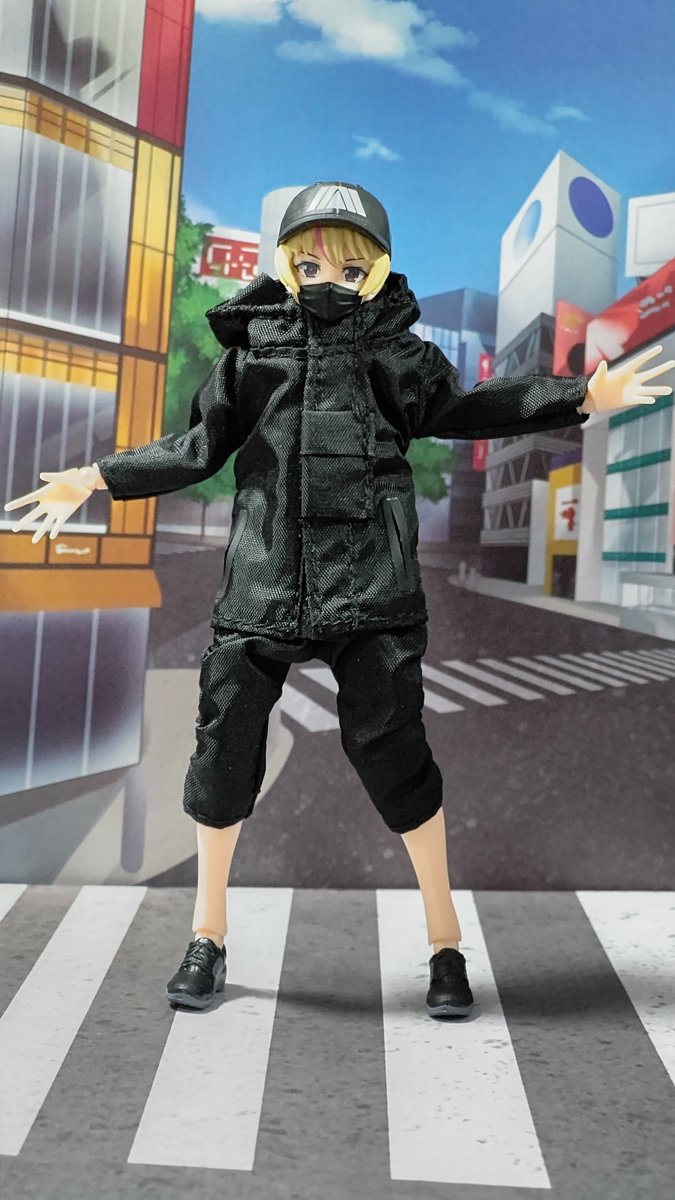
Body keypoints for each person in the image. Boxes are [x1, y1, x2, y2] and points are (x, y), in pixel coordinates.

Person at [5, 181, 673, 1020]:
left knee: (398, 761)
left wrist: (577, 396)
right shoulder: (252, 354)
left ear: (379, 270)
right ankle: (206, 933)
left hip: (372, 590)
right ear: (286, 264)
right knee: (222, 756)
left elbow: (465, 408)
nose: (330, 279)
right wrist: (96, 477)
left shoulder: (399, 354)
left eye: (351, 267)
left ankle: (444, 940)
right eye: (312, 263)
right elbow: (198, 447)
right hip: (263, 586)